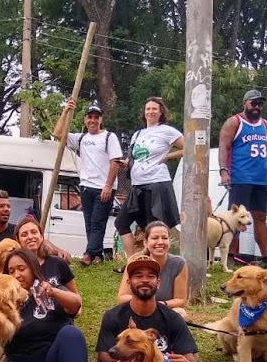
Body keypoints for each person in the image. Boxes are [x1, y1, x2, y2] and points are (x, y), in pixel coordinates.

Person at [218, 89, 267, 270]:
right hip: (240, 177)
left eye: (260, 104)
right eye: (254, 103)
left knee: (260, 217)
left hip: (261, 179)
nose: (257, 107)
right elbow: (223, 146)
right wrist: (224, 171)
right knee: (235, 218)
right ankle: (229, 257)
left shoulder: (265, 125)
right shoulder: (234, 122)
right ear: (245, 103)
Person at [114, 97, 183, 261]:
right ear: (144, 113)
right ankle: (133, 262)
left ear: (161, 112)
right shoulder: (138, 134)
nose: (150, 112)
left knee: (155, 229)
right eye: (148, 109)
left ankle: (156, 264)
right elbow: (135, 158)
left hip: (157, 184)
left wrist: (169, 156)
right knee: (122, 223)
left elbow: (189, 147)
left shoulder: (167, 131)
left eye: (154, 109)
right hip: (137, 186)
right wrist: (126, 163)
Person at [61, 101, 122, 265]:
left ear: (101, 120)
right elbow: (58, 133)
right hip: (86, 186)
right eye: (90, 117)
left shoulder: (109, 137)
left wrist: (108, 186)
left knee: (97, 221)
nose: (93, 120)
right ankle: (98, 255)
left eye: (96, 117)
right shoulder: (81, 138)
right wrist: (66, 111)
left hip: (103, 187)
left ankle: (89, 254)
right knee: (90, 223)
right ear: (85, 120)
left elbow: (115, 162)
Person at [116, 220, 188, 318]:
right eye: (155, 238)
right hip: (137, 310)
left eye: (164, 238)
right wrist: (145, 304)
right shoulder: (134, 262)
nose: (160, 242)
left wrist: (159, 305)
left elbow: (180, 300)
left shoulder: (179, 264)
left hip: (164, 311)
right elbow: (122, 297)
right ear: (145, 242)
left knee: (180, 313)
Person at [14, 215, 79, 297]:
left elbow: (75, 297)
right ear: (18, 241)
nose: (30, 237)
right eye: (24, 235)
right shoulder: (15, 270)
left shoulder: (58, 263)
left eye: (34, 232)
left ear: (41, 237)